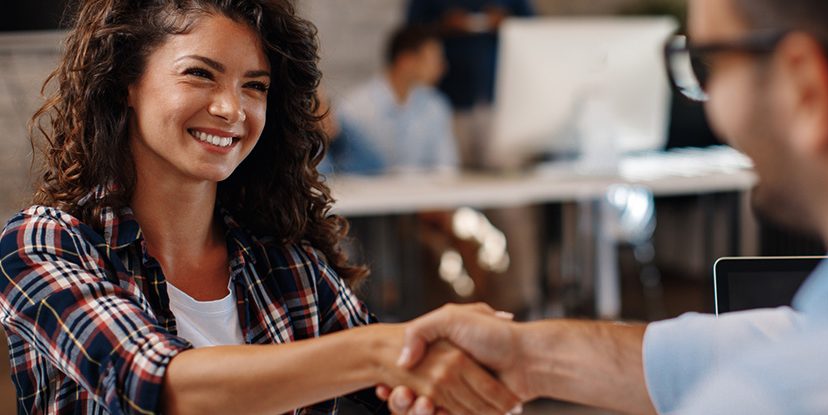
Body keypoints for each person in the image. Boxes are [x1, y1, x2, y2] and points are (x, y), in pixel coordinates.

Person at [380, 0, 828, 413]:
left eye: (706, 64)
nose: (708, 103)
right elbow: (797, 337)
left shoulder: (778, 398)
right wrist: (528, 357)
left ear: (805, 88)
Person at [0, 1, 522, 414]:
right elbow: (155, 387)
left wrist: (454, 380)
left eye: (255, 87)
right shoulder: (44, 244)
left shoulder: (287, 264)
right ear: (126, 84)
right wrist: (386, 353)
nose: (232, 109)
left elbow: (397, 390)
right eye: (201, 74)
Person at [405, 0, 534, 168]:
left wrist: (507, 21)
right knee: (452, 169)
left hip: (496, 94)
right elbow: (410, 32)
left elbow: (532, 26)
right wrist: (442, 24)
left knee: (502, 171)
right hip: (451, 96)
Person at [334, 25, 458, 175]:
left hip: (424, 196)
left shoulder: (436, 106)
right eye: (434, 59)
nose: (442, 67)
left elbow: (446, 169)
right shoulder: (354, 108)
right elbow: (343, 170)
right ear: (405, 61)